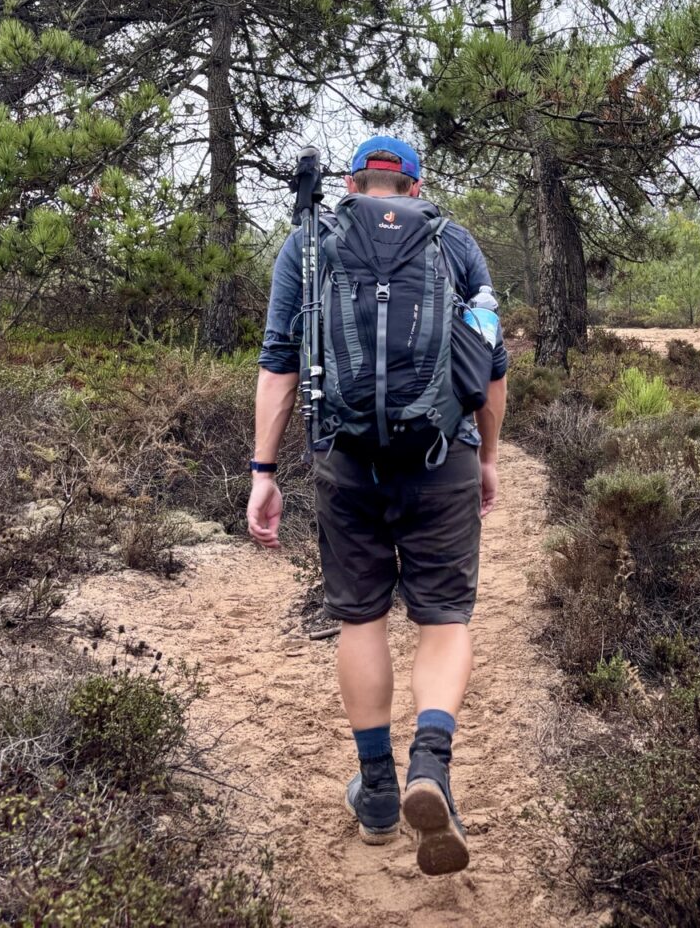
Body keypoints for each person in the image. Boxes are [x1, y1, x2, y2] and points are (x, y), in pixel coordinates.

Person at [246, 135, 508, 877]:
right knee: (444, 619)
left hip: (346, 461)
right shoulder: (455, 243)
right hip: (442, 459)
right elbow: (490, 371)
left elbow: (278, 361)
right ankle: (432, 762)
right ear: (417, 185)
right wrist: (486, 458)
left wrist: (263, 472)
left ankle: (380, 796)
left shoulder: (308, 244)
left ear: (355, 183)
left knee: (360, 618)